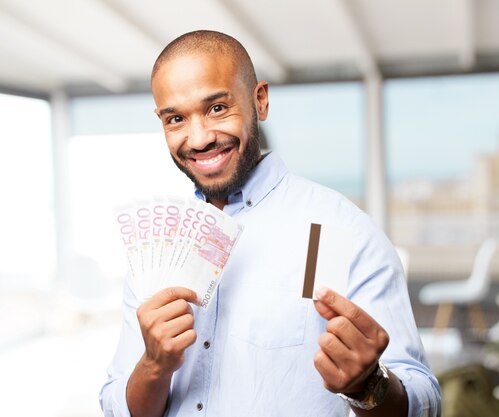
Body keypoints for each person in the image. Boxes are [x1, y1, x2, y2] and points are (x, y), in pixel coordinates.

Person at [100, 30, 441, 417]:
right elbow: (117, 405)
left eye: (216, 109)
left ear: (259, 101)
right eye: (176, 118)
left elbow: (423, 402)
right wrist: (154, 365)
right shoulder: (159, 248)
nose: (198, 139)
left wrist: (368, 386)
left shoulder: (328, 233)